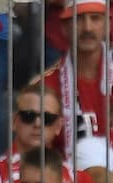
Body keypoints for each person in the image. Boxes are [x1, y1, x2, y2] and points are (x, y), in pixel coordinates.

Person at [37, 0, 111, 161]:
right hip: (69, 178)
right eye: (79, 19)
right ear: (64, 27)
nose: (87, 28)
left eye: (95, 18)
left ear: (107, 25)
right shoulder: (46, 87)